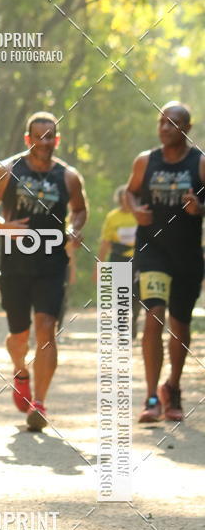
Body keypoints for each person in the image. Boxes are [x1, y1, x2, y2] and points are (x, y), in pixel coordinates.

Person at [0, 111, 87, 431]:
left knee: (46, 329)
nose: (45, 143)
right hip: (15, 265)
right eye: (39, 137)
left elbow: (80, 210)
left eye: (50, 137)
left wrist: (75, 230)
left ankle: (39, 403)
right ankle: (20, 371)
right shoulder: (7, 171)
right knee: (19, 336)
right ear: (28, 139)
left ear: (57, 140)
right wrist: (3, 227)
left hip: (52, 264)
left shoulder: (68, 176)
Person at [125, 102, 205, 423]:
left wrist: (199, 209)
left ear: (187, 128)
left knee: (180, 324)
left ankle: (173, 387)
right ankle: (151, 397)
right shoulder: (146, 161)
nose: (165, 128)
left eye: (172, 123)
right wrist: (135, 209)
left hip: (187, 255)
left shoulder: (200, 163)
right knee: (153, 316)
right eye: (161, 122)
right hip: (152, 250)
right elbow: (130, 192)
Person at [93, 186, 141, 339]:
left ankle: (133, 320)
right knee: (121, 294)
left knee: (137, 294)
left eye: (129, 199)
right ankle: (122, 327)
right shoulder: (112, 217)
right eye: (123, 199)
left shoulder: (139, 214)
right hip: (119, 258)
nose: (126, 202)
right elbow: (105, 243)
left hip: (138, 259)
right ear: (119, 200)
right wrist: (99, 266)